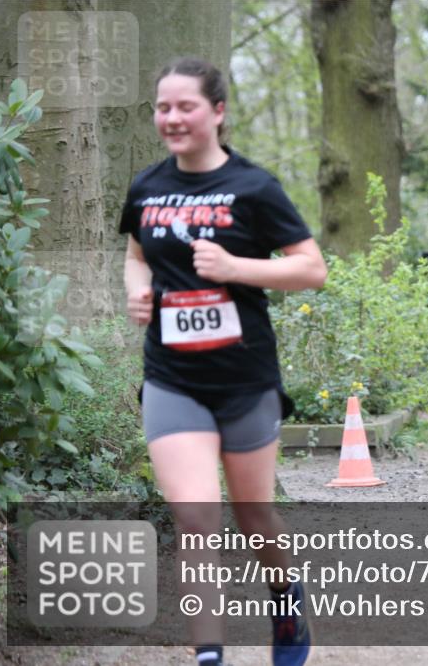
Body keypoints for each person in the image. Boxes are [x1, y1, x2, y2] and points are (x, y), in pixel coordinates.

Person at [120, 57, 327, 666]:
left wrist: (237, 268)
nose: (172, 118)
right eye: (163, 107)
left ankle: (285, 602)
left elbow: (311, 268)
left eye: (185, 106)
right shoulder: (147, 186)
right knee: (194, 518)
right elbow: (136, 253)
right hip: (172, 378)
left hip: (243, 379)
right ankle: (208, 655)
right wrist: (136, 287)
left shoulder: (255, 187)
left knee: (254, 515)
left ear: (217, 112)